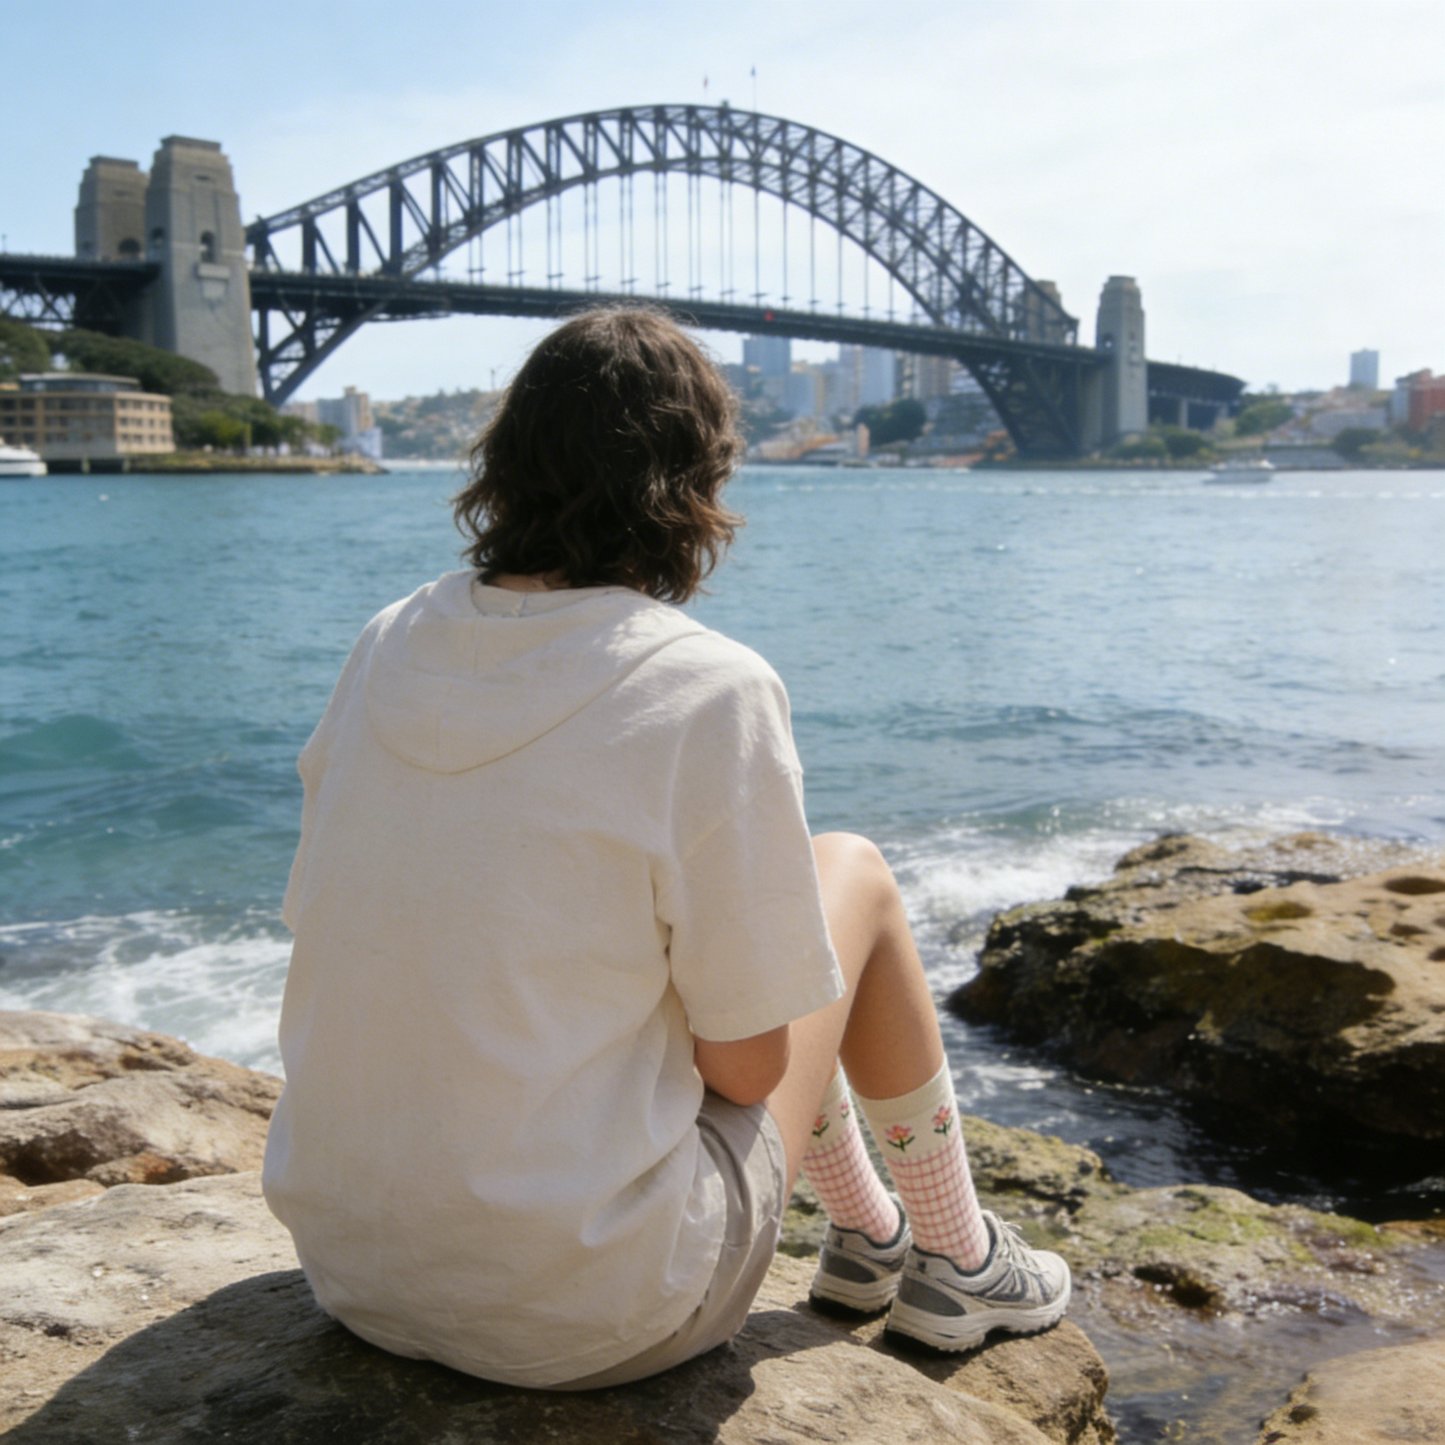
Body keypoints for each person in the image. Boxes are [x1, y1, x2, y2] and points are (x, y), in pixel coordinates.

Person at [261, 306, 1069, 1390]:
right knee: (852, 877)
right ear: (695, 482)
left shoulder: (384, 639)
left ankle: (872, 1238)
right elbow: (746, 1067)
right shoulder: (705, 685)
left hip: (354, 1269)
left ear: (502, 465)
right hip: (586, 1309)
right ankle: (956, 1254)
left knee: (694, 957)